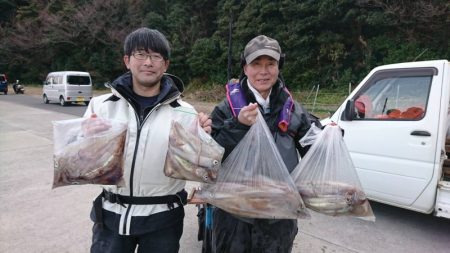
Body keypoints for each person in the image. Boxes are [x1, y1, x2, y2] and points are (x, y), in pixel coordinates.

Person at [83, 27, 211, 253]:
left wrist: (204, 141)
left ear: (166, 64)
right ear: (127, 60)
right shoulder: (100, 106)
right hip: (111, 216)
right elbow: (83, 162)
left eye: (156, 56)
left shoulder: (186, 113)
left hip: (164, 218)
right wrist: (86, 141)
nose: (148, 62)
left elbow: (197, 167)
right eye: (141, 54)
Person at [206, 35, 320, 253]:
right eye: (256, 64)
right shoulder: (226, 109)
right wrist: (238, 126)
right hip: (234, 216)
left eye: (271, 64)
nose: (263, 71)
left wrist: (328, 137)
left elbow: (312, 147)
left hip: (278, 218)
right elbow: (211, 156)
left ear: (279, 67)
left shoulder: (294, 109)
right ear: (245, 68)